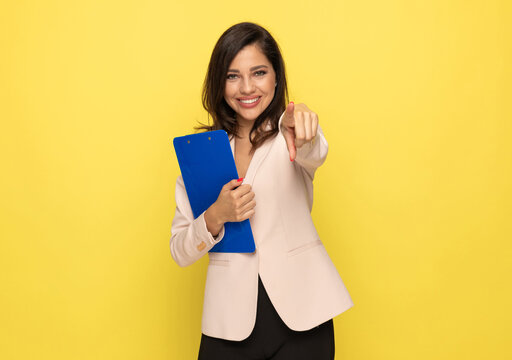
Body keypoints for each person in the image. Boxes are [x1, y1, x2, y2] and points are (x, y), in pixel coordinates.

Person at [170, 22, 354, 360]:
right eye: (232, 76)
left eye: (258, 72)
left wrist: (304, 127)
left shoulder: (291, 134)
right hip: (228, 321)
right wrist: (214, 216)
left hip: (303, 316)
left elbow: (315, 151)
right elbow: (180, 251)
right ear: (219, 83)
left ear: (275, 78)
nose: (247, 87)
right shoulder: (200, 155)